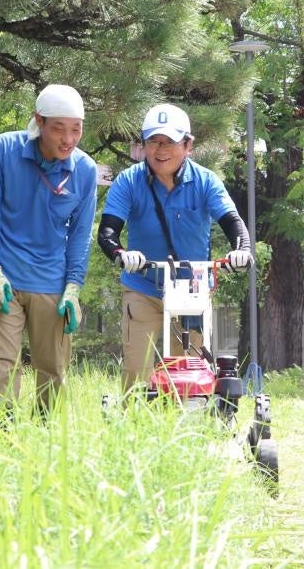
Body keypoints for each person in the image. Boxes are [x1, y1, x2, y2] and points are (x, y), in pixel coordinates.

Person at [97, 103, 253, 393]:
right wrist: (121, 254)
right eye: (153, 141)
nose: (160, 149)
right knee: (136, 372)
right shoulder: (129, 181)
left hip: (190, 289)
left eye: (169, 141)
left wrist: (241, 250)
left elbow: (233, 222)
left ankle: (184, 430)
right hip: (143, 286)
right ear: (143, 145)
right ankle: (135, 428)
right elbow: (107, 232)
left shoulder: (205, 181)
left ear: (188, 145)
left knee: (189, 373)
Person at [0, 84, 97, 421]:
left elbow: (81, 235)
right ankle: (4, 436)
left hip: (53, 283)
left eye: (76, 129)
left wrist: (74, 286)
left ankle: (46, 438)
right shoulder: (1, 150)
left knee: (53, 370)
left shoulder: (85, 170)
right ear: (39, 121)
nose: (68, 138)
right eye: (59, 128)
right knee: (1, 366)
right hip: (6, 278)